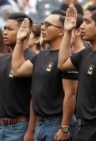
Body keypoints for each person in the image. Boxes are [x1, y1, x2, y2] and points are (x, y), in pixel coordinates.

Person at [11, 10, 78, 141]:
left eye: (48, 25)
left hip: (57, 123)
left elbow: (71, 95)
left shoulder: (66, 58)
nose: (42, 27)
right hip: (40, 123)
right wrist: (19, 41)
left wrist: (64, 127)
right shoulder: (41, 56)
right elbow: (17, 70)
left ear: (61, 31)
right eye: (42, 24)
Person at [58, 4, 96, 141]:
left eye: (87, 22)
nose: (82, 26)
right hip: (82, 127)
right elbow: (62, 64)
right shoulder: (86, 52)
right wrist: (68, 32)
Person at [0, 12, 36, 141]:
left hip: (20, 127)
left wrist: (31, 131)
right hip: (2, 127)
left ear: (24, 31)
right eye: (4, 28)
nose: (5, 32)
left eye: (10, 29)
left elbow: (35, 99)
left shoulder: (32, 59)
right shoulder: (3, 60)